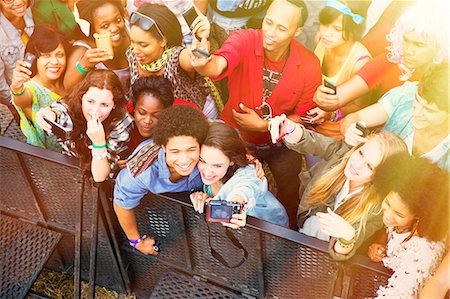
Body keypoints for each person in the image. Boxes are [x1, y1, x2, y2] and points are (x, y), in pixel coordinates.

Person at [190, 0, 322, 229]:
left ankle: (289, 230)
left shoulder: (309, 64)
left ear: (297, 31)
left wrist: (263, 125)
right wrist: (204, 63)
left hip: (280, 143)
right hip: (237, 136)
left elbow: (304, 117)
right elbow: (219, 65)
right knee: (228, 186)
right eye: (268, 23)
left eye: (281, 28)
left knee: (289, 188)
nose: (270, 33)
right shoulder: (245, 39)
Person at [268, 114, 408, 260]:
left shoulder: (376, 209)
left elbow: (341, 252)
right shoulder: (342, 154)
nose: (357, 165)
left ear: (380, 177)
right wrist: (288, 128)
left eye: (369, 166)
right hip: (304, 231)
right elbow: (313, 141)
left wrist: (347, 238)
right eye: (361, 153)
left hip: (324, 260)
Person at [314, 2, 448, 112]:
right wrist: (324, 98)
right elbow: (340, 96)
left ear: (439, 46)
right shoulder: (391, 59)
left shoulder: (445, 78)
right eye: (406, 40)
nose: (408, 50)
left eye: (419, 45)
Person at [113, 105, 209, 255]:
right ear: (163, 146)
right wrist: (136, 242)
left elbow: (228, 139)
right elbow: (122, 204)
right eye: (175, 151)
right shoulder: (142, 171)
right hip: (163, 214)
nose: (184, 160)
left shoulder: (210, 145)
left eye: (191, 150)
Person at [342, 64, 449, 171]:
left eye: (429, 110)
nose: (417, 112)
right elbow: (353, 118)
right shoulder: (406, 95)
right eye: (417, 100)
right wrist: (350, 130)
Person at [368, 156, 448, 298]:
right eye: (387, 203)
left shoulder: (423, 250)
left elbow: (400, 293)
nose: (388, 216)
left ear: (419, 215)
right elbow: (388, 229)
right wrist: (381, 242)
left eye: (398, 214)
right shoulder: (401, 223)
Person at [35, 69, 133, 182]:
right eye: (90, 102)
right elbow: (59, 113)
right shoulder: (71, 107)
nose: (95, 112)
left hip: (100, 183)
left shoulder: (121, 122)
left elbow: (100, 176)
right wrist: (49, 115)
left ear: (114, 104)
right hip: (70, 169)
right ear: (81, 97)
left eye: (105, 105)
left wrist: (99, 143)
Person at [127, 3, 221, 119]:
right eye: (132, 42)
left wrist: (199, 41)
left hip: (198, 118)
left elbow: (190, 57)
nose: (135, 50)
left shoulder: (176, 58)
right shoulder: (131, 54)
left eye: (143, 45)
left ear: (163, 41)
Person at [190, 122, 289, 228]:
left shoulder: (250, 174)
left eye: (217, 166)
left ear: (232, 160)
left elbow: (245, 188)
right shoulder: (193, 162)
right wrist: (202, 197)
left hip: (271, 228)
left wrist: (236, 205)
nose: (207, 172)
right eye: (202, 161)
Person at [307, 0, 371, 139]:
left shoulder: (360, 62)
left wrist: (330, 112)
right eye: (324, 24)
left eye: (337, 29)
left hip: (336, 129)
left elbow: (360, 107)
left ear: (353, 30)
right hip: (310, 115)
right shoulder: (320, 39)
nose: (326, 33)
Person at [10, 25, 69, 150]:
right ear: (34, 59)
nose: (54, 62)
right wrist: (17, 88)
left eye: (60, 55)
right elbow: (22, 100)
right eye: (46, 56)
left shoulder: (69, 80)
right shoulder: (31, 88)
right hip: (54, 163)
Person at [65, 0, 131, 91]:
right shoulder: (83, 50)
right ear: (92, 30)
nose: (115, 28)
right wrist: (84, 65)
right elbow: (68, 87)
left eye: (118, 20)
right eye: (105, 26)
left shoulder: (131, 31)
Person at [0, 0, 34, 106]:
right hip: (18, 96)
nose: (19, 2)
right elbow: (1, 85)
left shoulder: (34, 12)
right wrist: (15, 105)